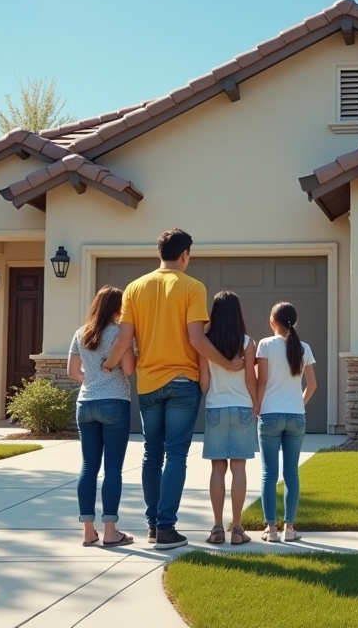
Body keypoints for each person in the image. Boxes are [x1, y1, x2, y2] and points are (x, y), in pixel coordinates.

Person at [104, 229, 245, 550]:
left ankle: (153, 526)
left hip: (149, 383)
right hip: (183, 382)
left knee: (152, 454)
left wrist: (108, 365)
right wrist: (227, 362)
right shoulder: (193, 287)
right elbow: (197, 339)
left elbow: (124, 339)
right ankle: (167, 528)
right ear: (185, 255)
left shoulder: (134, 288)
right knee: (176, 454)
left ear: (160, 253)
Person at [67, 286, 135, 548]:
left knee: (88, 467)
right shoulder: (119, 333)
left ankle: (87, 532)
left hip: (85, 404)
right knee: (113, 468)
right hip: (114, 402)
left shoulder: (80, 333)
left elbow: (73, 371)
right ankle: (110, 532)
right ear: (118, 308)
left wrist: (92, 380)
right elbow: (128, 368)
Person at [197, 291, 258, 545]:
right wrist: (255, 405)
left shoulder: (206, 342)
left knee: (218, 468)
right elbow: (250, 379)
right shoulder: (247, 342)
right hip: (242, 408)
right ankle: (237, 529)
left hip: (215, 409)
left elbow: (203, 383)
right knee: (239, 468)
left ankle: (216, 528)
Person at [255, 301, 317, 543]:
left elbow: (261, 382)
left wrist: (258, 406)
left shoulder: (265, 345)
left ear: (273, 322)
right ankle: (289, 529)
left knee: (269, 474)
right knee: (291, 473)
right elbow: (312, 385)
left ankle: (271, 531)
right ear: (295, 322)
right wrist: (299, 404)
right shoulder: (304, 348)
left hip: (270, 414)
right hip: (296, 416)